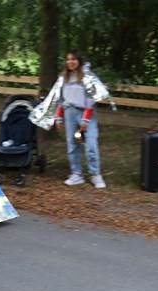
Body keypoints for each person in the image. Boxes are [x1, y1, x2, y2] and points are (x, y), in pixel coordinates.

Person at [54, 50, 106, 188]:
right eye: (68, 59)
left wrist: (85, 120)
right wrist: (58, 117)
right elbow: (60, 98)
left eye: (74, 59)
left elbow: (91, 99)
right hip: (69, 113)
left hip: (85, 113)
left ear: (79, 61)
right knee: (72, 144)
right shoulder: (63, 77)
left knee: (91, 145)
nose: (71, 62)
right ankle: (76, 174)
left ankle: (95, 174)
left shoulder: (87, 77)